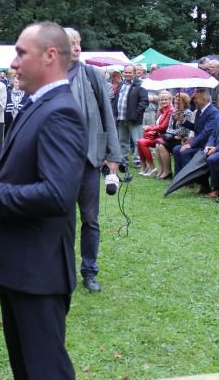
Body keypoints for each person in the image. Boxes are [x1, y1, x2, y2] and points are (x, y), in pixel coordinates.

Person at [0, 22, 86, 379]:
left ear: (50, 56)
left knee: (45, 370)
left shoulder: (61, 112)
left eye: (21, 53)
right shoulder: (38, 103)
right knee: (26, 368)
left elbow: (58, 195)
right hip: (21, 264)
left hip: (38, 269)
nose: (13, 63)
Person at [64, 27, 122, 292]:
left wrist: (113, 156)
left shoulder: (92, 75)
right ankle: (64, 272)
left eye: (79, 42)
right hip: (61, 162)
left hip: (89, 160)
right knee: (62, 220)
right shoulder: (49, 76)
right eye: (71, 43)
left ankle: (89, 271)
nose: (77, 47)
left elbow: (107, 116)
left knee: (90, 219)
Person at [173, 89, 219, 179]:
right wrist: (183, 120)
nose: (194, 100)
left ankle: (188, 179)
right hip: (198, 143)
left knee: (185, 152)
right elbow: (196, 128)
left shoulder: (213, 112)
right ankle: (178, 177)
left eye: (196, 98)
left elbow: (206, 132)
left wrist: (191, 145)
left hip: (205, 145)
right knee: (176, 149)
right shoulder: (199, 110)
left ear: (204, 100)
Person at [113, 64, 148, 167]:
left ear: (134, 73)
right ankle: (124, 160)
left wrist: (136, 114)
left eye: (130, 72)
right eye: (126, 72)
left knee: (137, 141)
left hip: (134, 119)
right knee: (122, 141)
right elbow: (117, 99)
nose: (127, 74)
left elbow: (144, 102)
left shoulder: (140, 85)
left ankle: (138, 161)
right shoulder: (121, 84)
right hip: (121, 117)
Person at [156, 92, 193, 179]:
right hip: (174, 137)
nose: (176, 102)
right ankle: (163, 170)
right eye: (176, 100)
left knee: (161, 146)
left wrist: (175, 133)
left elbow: (185, 130)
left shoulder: (188, 113)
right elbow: (168, 129)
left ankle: (167, 171)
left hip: (182, 139)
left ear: (184, 102)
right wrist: (174, 134)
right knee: (158, 145)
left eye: (179, 101)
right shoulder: (174, 112)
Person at [137, 91, 173, 177]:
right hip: (159, 135)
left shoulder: (170, 110)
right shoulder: (162, 110)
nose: (163, 101)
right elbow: (158, 125)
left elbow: (163, 127)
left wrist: (149, 128)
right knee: (139, 141)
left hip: (165, 137)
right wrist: (150, 127)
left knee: (142, 142)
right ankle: (144, 166)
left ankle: (152, 167)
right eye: (162, 100)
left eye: (166, 99)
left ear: (170, 100)